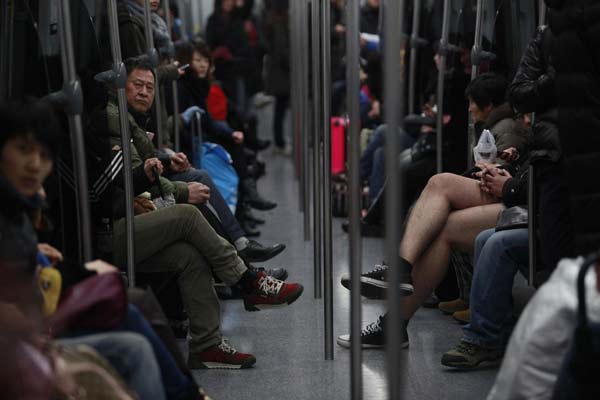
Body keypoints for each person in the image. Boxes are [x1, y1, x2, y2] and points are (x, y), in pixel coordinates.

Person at [338, 73, 530, 348]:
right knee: (439, 185)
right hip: (516, 188)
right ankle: (398, 279)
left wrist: (510, 184)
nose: (524, 119)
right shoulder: (531, 127)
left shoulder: (533, 127)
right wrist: (515, 163)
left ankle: (396, 299)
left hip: (526, 202)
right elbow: (537, 163)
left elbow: (549, 182)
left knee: (443, 223)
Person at [109, 56, 284, 264]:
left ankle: (240, 248)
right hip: (133, 200)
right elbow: (138, 171)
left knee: (202, 175)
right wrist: (180, 187)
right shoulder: (119, 118)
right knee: (196, 191)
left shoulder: (136, 116)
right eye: (138, 85)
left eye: (149, 87)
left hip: (156, 173)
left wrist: (167, 158)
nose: (144, 92)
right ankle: (240, 264)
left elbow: (146, 157)